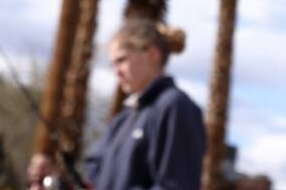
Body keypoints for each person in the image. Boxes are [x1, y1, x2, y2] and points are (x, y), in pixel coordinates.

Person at [84, 19, 206, 190]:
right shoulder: (123, 118)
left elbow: (176, 185)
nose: (116, 71)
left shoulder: (175, 107)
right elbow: (94, 176)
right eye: (113, 64)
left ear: (152, 55)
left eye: (121, 60)